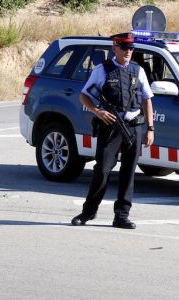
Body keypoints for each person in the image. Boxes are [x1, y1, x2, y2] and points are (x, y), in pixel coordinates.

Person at [71, 33, 155, 229]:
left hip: (134, 126)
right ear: (114, 48)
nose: (128, 51)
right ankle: (88, 212)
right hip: (110, 127)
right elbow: (84, 96)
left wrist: (150, 128)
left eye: (131, 48)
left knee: (128, 172)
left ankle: (121, 216)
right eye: (124, 47)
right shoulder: (102, 70)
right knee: (102, 170)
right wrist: (97, 111)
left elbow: (147, 99)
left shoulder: (138, 70)